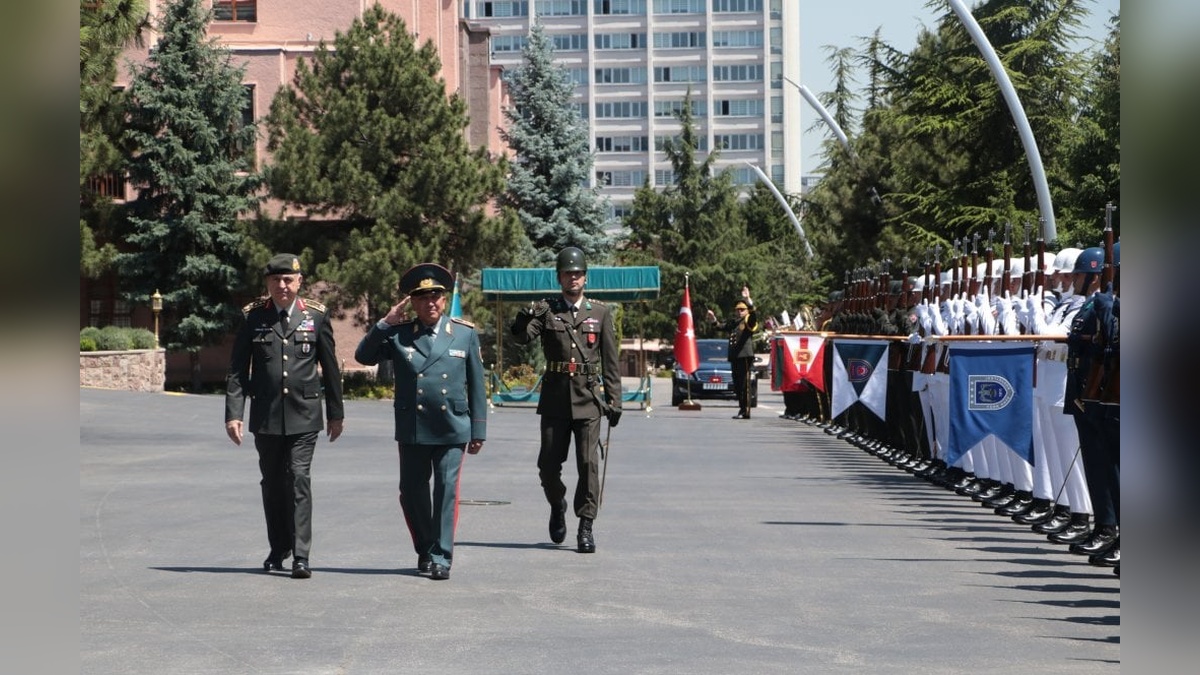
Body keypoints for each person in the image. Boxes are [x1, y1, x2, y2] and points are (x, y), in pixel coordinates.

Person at [354, 263, 487, 581]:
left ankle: (442, 556)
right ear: (412, 302)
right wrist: (385, 323)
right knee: (411, 492)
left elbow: (477, 384)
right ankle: (425, 548)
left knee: (446, 491)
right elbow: (363, 356)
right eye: (422, 297)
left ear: (444, 299)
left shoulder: (463, 334)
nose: (430, 302)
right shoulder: (399, 336)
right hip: (414, 427)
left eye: (436, 296)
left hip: (452, 426)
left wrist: (478, 429)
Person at [225, 253, 345, 579]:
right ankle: (279, 547)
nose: (282, 286)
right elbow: (238, 370)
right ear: (267, 283)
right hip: (266, 415)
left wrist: (336, 413)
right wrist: (234, 414)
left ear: (299, 282)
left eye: (288, 280)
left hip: (305, 414)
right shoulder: (253, 317)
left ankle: (301, 556)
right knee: (273, 484)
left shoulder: (316, 317)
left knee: (299, 479)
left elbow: (331, 369)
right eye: (276, 280)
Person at [509, 247, 622, 554]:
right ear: (559, 277)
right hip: (556, 399)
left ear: (585, 277)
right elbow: (522, 337)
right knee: (547, 465)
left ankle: (586, 527)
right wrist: (523, 317)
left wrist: (615, 399)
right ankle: (557, 503)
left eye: (577, 273)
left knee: (588, 464)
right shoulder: (547, 310)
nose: (573, 278)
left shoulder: (600, 313)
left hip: (588, 400)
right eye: (567, 274)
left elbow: (610, 360)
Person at [706, 286, 760, 419]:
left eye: (742, 309)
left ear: (746, 311)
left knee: (745, 385)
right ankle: (742, 409)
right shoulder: (734, 322)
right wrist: (713, 319)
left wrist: (748, 299)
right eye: (737, 310)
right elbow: (720, 326)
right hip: (735, 357)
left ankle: (745, 411)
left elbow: (754, 315)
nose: (739, 312)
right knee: (737, 385)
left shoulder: (748, 321)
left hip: (744, 356)